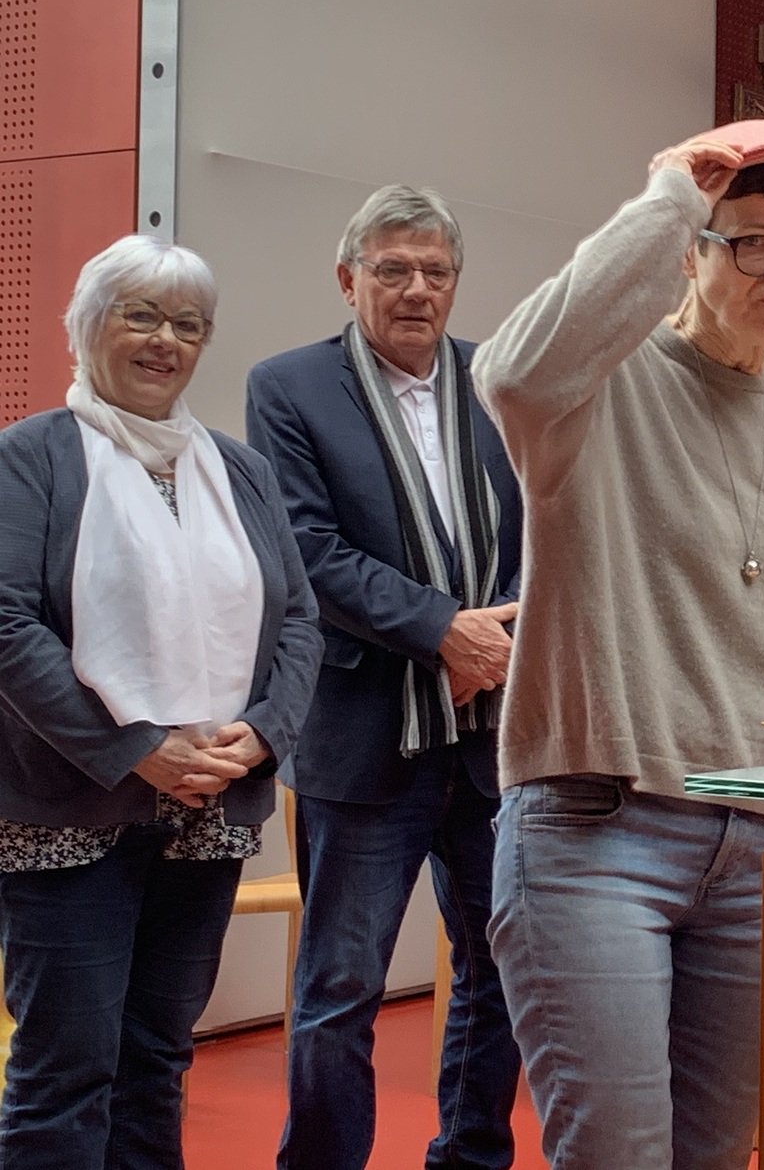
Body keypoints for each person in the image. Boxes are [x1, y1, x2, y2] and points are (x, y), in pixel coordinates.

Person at [472, 119, 764, 1170]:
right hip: (600, 829)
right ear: (690, 252)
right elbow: (511, 374)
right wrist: (664, 200)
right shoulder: (598, 382)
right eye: (756, 243)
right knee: (616, 1154)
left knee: (714, 1155)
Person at [0, 235, 321, 1169]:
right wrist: (137, 747)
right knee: (66, 1070)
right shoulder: (30, 456)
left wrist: (262, 736)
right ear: (86, 326)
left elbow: (300, 618)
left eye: (188, 324)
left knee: (157, 1059)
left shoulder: (240, 470)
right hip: (66, 811)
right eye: (140, 316)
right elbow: (8, 622)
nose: (165, 340)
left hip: (207, 811)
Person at [245, 186, 525, 1170]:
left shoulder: (496, 380)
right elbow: (307, 551)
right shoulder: (289, 387)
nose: (416, 290)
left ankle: (473, 1157)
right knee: (341, 991)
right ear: (347, 279)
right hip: (366, 739)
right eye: (392, 269)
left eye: (435, 271)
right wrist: (443, 633)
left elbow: (549, 526)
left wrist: (498, 637)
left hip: (493, 740)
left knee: (501, 975)